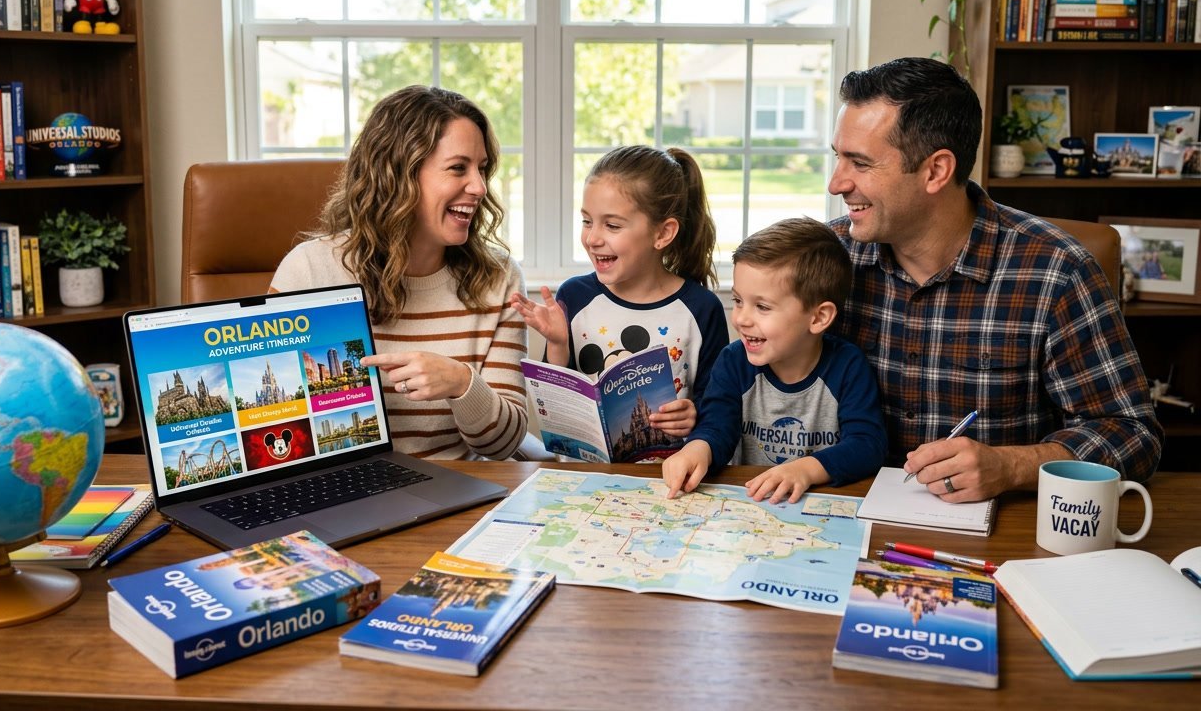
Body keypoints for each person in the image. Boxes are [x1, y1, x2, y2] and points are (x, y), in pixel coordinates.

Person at [827, 57, 1162, 502]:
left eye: (860, 163)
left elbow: (1132, 433)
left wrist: (1011, 466)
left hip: (995, 536)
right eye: (838, 158)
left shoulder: (1057, 270)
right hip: (840, 518)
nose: (836, 183)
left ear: (936, 170)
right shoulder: (827, 257)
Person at [270, 85, 527, 460]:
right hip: (342, 492)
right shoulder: (309, 270)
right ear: (398, 175)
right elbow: (274, 415)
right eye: (458, 168)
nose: (479, 187)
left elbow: (503, 446)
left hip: (455, 494)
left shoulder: (498, 277)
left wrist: (460, 383)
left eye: (482, 169)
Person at [510, 145, 729, 441]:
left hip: (669, 477)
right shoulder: (575, 296)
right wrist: (558, 343)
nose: (592, 238)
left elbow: (719, 410)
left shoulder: (701, 309)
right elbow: (554, 413)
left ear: (663, 233)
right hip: (582, 477)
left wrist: (694, 415)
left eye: (612, 225)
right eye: (587, 221)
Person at [661, 218, 886, 503]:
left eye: (762, 307)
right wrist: (697, 449)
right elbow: (717, 427)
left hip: (819, 504)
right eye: (738, 300)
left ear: (818, 318)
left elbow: (867, 445)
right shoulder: (733, 361)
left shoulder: (848, 366)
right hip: (752, 502)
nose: (741, 319)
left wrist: (805, 471)